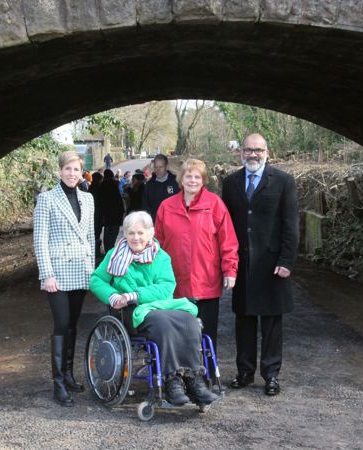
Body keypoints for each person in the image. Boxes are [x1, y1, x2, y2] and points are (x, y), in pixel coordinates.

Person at [89, 211, 219, 406]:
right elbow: (96, 280)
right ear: (125, 234)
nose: (136, 238)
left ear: (151, 233)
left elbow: (166, 287)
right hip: (132, 313)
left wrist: (136, 294)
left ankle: (194, 380)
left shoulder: (161, 257)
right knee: (162, 323)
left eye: (141, 233)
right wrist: (113, 296)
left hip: (161, 306)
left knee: (189, 321)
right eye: (131, 233)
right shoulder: (113, 255)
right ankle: (171, 381)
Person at [221, 133, 299, 397]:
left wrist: (287, 261)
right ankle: (244, 372)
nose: (252, 155)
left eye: (258, 150)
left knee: (271, 323)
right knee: (243, 320)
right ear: (241, 153)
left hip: (272, 265)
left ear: (267, 152)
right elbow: (226, 225)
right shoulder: (230, 183)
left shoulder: (283, 181)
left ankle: (271, 375)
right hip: (242, 264)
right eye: (248, 150)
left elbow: (291, 225)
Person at [155, 159, 239, 357]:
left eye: (197, 177)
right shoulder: (166, 207)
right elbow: (156, 244)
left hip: (206, 280)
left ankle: (208, 374)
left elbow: (228, 241)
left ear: (204, 180)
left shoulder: (215, 204)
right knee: (179, 332)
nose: (192, 180)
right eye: (188, 176)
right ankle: (182, 375)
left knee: (206, 333)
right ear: (180, 179)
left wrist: (230, 270)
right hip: (175, 281)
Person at [33, 150, 96, 407]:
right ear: (60, 171)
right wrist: (47, 274)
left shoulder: (88, 199)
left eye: (76, 170)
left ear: (82, 173)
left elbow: (91, 236)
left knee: (73, 324)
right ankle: (58, 383)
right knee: (61, 324)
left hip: (80, 270)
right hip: (57, 273)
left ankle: (69, 375)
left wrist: (91, 270)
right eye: (68, 169)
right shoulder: (47, 199)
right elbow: (40, 240)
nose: (72, 174)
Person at [142, 154, 180, 220]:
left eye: (160, 167)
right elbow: (145, 207)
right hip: (155, 224)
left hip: (173, 223)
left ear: (166, 166)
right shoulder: (149, 185)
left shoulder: (176, 182)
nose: (158, 170)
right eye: (156, 167)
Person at [97, 169, 124, 252]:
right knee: (113, 234)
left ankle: (107, 251)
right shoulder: (115, 185)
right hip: (116, 214)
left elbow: (100, 202)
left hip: (107, 215)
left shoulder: (102, 186)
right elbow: (119, 201)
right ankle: (111, 250)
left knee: (107, 234)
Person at [90, 171, 104, 257]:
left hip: (94, 214)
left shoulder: (91, 188)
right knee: (96, 232)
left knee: (95, 232)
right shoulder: (99, 189)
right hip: (97, 214)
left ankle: (95, 251)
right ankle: (96, 252)